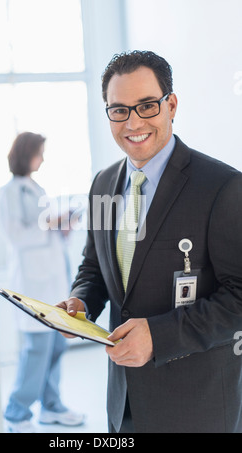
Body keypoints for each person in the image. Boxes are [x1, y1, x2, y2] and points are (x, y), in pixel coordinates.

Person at [57, 51, 242, 433]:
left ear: (171, 105)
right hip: (123, 404)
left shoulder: (222, 187)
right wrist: (80, 303)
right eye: (120, 110)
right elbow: (94, 268)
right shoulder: (103, 185)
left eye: (146, 106)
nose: (134, 122)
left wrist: (158, 337)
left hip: (196, 408)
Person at [0, 132, 85, 433]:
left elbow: (47, 231)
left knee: (57, 347)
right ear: (26, 154)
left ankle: (51, 406)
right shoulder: (9, 192)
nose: (43, 159)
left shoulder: (37, 188)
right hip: (32, 282)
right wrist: (49, 223)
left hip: (52, 279)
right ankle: (16, 414)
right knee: (37, 350)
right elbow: (16, 236)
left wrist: (63, 226)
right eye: (39, 153)